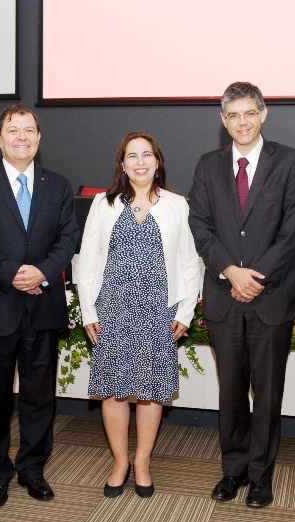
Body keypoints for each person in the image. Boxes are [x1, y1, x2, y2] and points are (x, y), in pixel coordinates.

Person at [188, 82, 295, 507]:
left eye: (248, 113)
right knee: (231, 391)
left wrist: (254, 278)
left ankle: (261, 476)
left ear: (263, 114)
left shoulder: (291, 162)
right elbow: (200, 224)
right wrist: (230, 271)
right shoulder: (208, 165)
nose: (241, 122)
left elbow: (294, 231)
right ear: (223, 121)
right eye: (232, 115)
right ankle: (233, 470)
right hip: (224, 297)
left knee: (268, 392)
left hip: (271, 298)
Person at [0, 105, 78, 509]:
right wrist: (13, 273)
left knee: (40, 395)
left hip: (42, 305)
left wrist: (40, 272)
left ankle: (32, 468)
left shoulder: (58, 185)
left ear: (39, 138)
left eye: (29, 130)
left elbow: (67, 238)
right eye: (13, 130)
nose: (22, 137)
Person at [76, 132, 201, 498]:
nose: (141, 162)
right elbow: (87, 263)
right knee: (113, 392)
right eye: (132, 156)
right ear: (122, 164)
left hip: (159, 309)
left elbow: (190, 263)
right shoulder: (103, 203)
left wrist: (187, 311)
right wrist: (87, 313)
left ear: (158, 162)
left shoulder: (177, 204)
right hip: (112, 308)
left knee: (149, 392)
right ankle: (120, 462)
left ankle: (143, 462)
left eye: (147, 155)